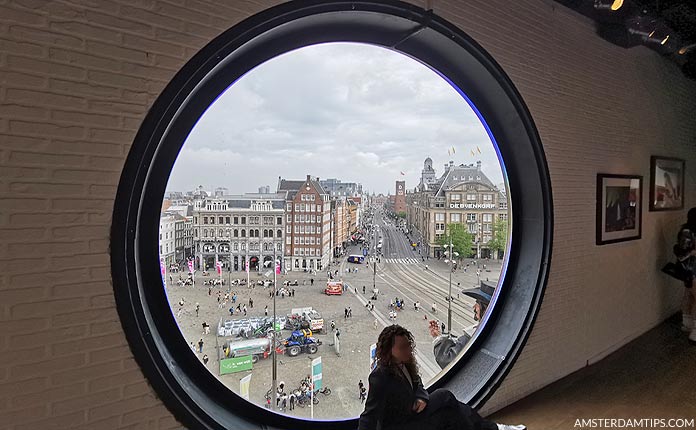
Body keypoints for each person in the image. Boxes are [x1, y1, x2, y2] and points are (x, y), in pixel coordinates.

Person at [358, 324, 525, 430]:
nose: (408, 350)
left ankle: (494, 429)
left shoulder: (405, 363)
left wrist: (421, 397)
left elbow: (418, 384)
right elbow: (369, 414)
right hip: (401, 425)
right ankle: (495, 429)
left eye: (408, 345)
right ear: (389, 350)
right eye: (403, 347)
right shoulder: (379, 376)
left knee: (448, 404)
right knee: (448, 406)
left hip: (414, 413)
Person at [430, 282, 493, 368]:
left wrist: (438, 338)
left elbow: (446, 358)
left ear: (486, 308)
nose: (474, 307)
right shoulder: (495, 328)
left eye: (477, 303)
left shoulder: (475, 335)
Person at [673, 208, 696, 344]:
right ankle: (695, 331)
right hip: (690, 269)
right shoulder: (687, 233)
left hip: (690, 269)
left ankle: (687, 323)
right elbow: (682, 253)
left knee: (689, 294)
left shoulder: (688, 231)